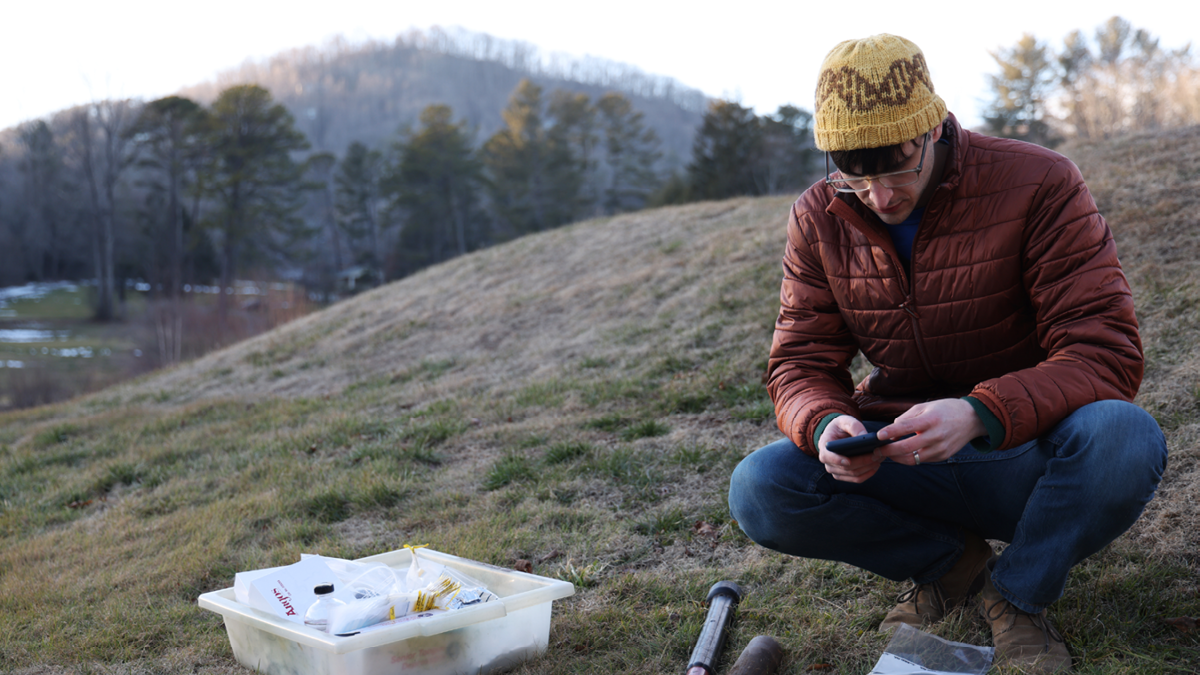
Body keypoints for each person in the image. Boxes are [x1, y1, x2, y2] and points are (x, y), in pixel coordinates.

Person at [727, 34, 1167, 674]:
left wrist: (979, 412)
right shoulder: (819, 215)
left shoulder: (1039, 181)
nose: (879, 196)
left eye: (897, 168)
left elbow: (1105, 350)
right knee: (761, 487)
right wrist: (826, 423)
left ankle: (1015, 595)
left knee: (1124, 437)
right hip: (898, 457)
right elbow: (799, 362)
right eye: (855, 175)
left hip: (1023, 452)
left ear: (932, 127)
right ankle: (948, 564)